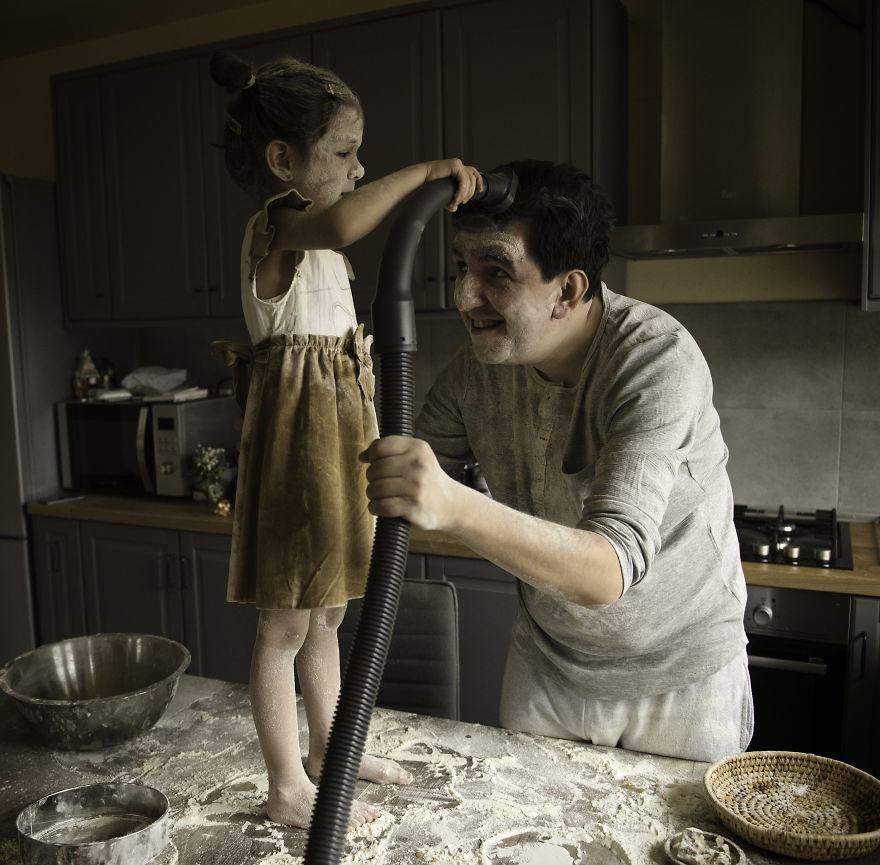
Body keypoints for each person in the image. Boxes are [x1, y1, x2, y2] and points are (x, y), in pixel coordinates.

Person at [361, 160, 753, 764]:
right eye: (463, 266)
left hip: (680, 677)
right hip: (549, 662)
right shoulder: (478, 369)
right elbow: (400, 472)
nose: (465, 295)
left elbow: (607, 572)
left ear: (568, 290)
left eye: (495, 271)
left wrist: (453, 503)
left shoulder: (654, 359)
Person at [208, 50, 482, 830]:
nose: (361, 169)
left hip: (336, 442)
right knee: (283, 623)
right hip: (296, 451)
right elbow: (347, 216)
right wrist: (425, 171)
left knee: (327, 617)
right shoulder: (281, 227)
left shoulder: (320, 243)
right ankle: (286, 781)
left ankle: (332, 746)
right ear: (282, 160)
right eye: (345, 152)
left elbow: (347, 226)